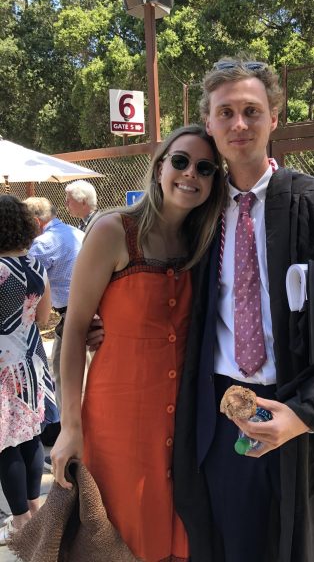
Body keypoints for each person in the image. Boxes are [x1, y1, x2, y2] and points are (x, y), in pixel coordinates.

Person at [170, 59, 314, 562]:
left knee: (306, 544)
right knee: (236, 541)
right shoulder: (197, 213)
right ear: (209, 124)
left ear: (274, 118)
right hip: (225, 411)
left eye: (251, 111)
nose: (238, 124)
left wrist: (306, 415)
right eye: (225, 113)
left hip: (304, 411)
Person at [51, 125, 226, 562]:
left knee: (174, 535)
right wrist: (70, 426)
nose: (191, 174)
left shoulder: (203, 242)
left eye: (205, 168)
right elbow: (73, 331)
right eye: (181, 161)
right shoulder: (114, 231)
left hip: (185, 421)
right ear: (160, 166)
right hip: (119, 421)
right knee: (119, 537)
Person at [0, 195, 58, 544]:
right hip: (32, 360)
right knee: (32, 436)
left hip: (4, 365)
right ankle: (35, 510)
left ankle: (20, 520)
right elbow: (44, 315)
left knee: (6, 442)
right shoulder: (35, 266)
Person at [24, 197, 84, 411]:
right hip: (92, 310)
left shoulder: (43, 243)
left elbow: (27, 281)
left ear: (35, 221)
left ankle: (64, 426)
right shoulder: (76, 232)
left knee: (62, 372)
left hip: (71, 316)